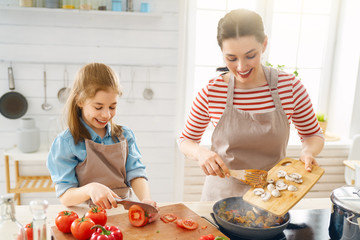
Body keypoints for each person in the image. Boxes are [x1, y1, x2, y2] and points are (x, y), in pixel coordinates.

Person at [178, 9, 324, 201]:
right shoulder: (212, 91)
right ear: (222, 52)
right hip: (220, 197)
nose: (241, 67)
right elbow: (185, 140)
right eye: (231, 58)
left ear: (264, 43)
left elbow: (312, 134)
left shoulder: (290, 87)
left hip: (272, 196)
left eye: (250, 56)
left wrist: (308, 152)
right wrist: (199, 152)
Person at [47, 63, 158, 221]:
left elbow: (136, 174)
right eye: (98, 107)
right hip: (86, 218)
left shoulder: (125, 135)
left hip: (124, 214)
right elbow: (65, 196)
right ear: (80, 100)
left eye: (112, 107)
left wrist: (145, 200)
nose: (106, 115)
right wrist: (91, 188)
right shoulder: (66, 142)